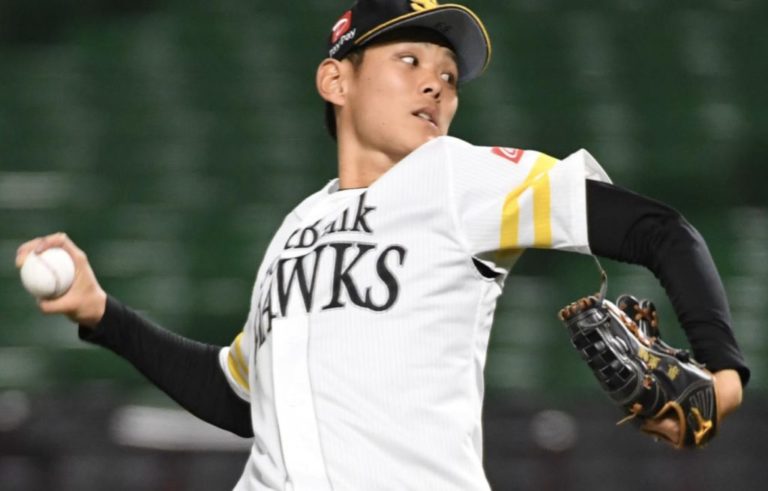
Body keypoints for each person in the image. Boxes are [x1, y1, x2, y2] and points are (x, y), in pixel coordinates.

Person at [16, 1, 749, 490]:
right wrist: (102, 314)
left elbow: (661, 230)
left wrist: (724, 373)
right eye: (409, 61)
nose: (436, 86)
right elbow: (241, 397)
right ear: (336, 79)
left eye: (449, 76)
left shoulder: (457, 177)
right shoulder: (293, 227)